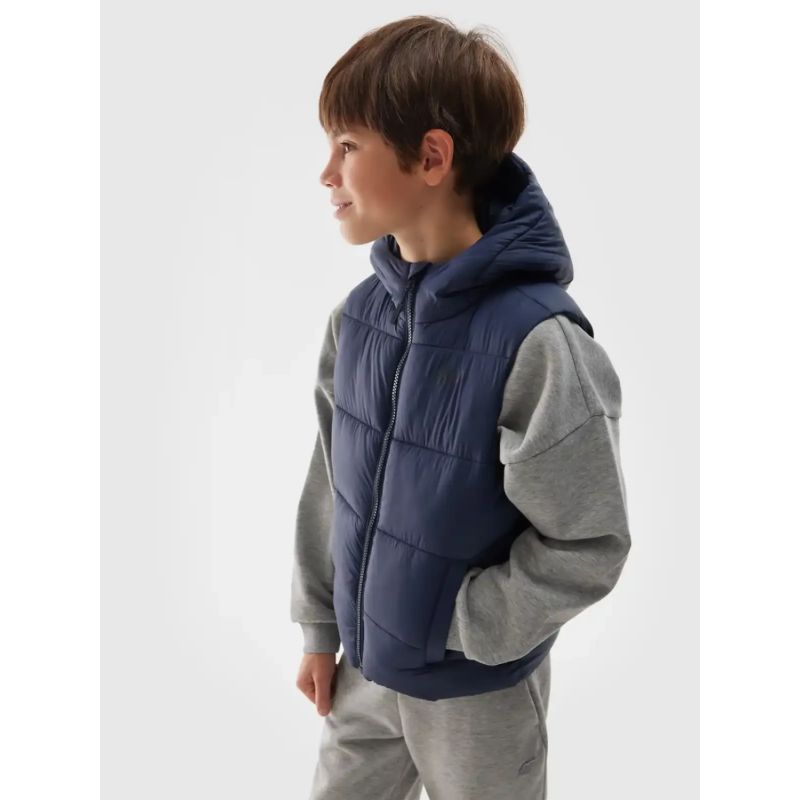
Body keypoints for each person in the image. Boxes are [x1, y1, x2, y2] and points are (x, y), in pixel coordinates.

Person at [290, 14, 632, 800]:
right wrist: (321, 626)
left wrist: (463, 622)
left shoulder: (538, 344)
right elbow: (329, 487)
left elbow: (591, 542)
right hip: (365, 675)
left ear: (432, 157)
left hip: (478, 700)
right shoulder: (356, 321)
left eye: (347, 145)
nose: (326, 173)